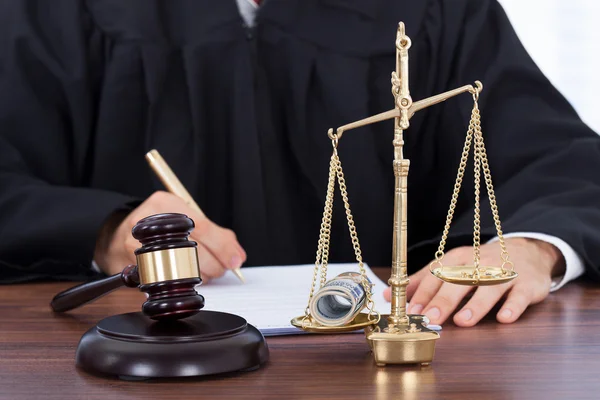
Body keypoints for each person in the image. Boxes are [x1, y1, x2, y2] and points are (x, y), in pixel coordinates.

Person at [1, 0, 599, 329]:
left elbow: (562, 160)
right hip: (131, 366)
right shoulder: (60, 11)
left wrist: (534, 246)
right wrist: (104, 229)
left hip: (391, 367)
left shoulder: (430, 9)